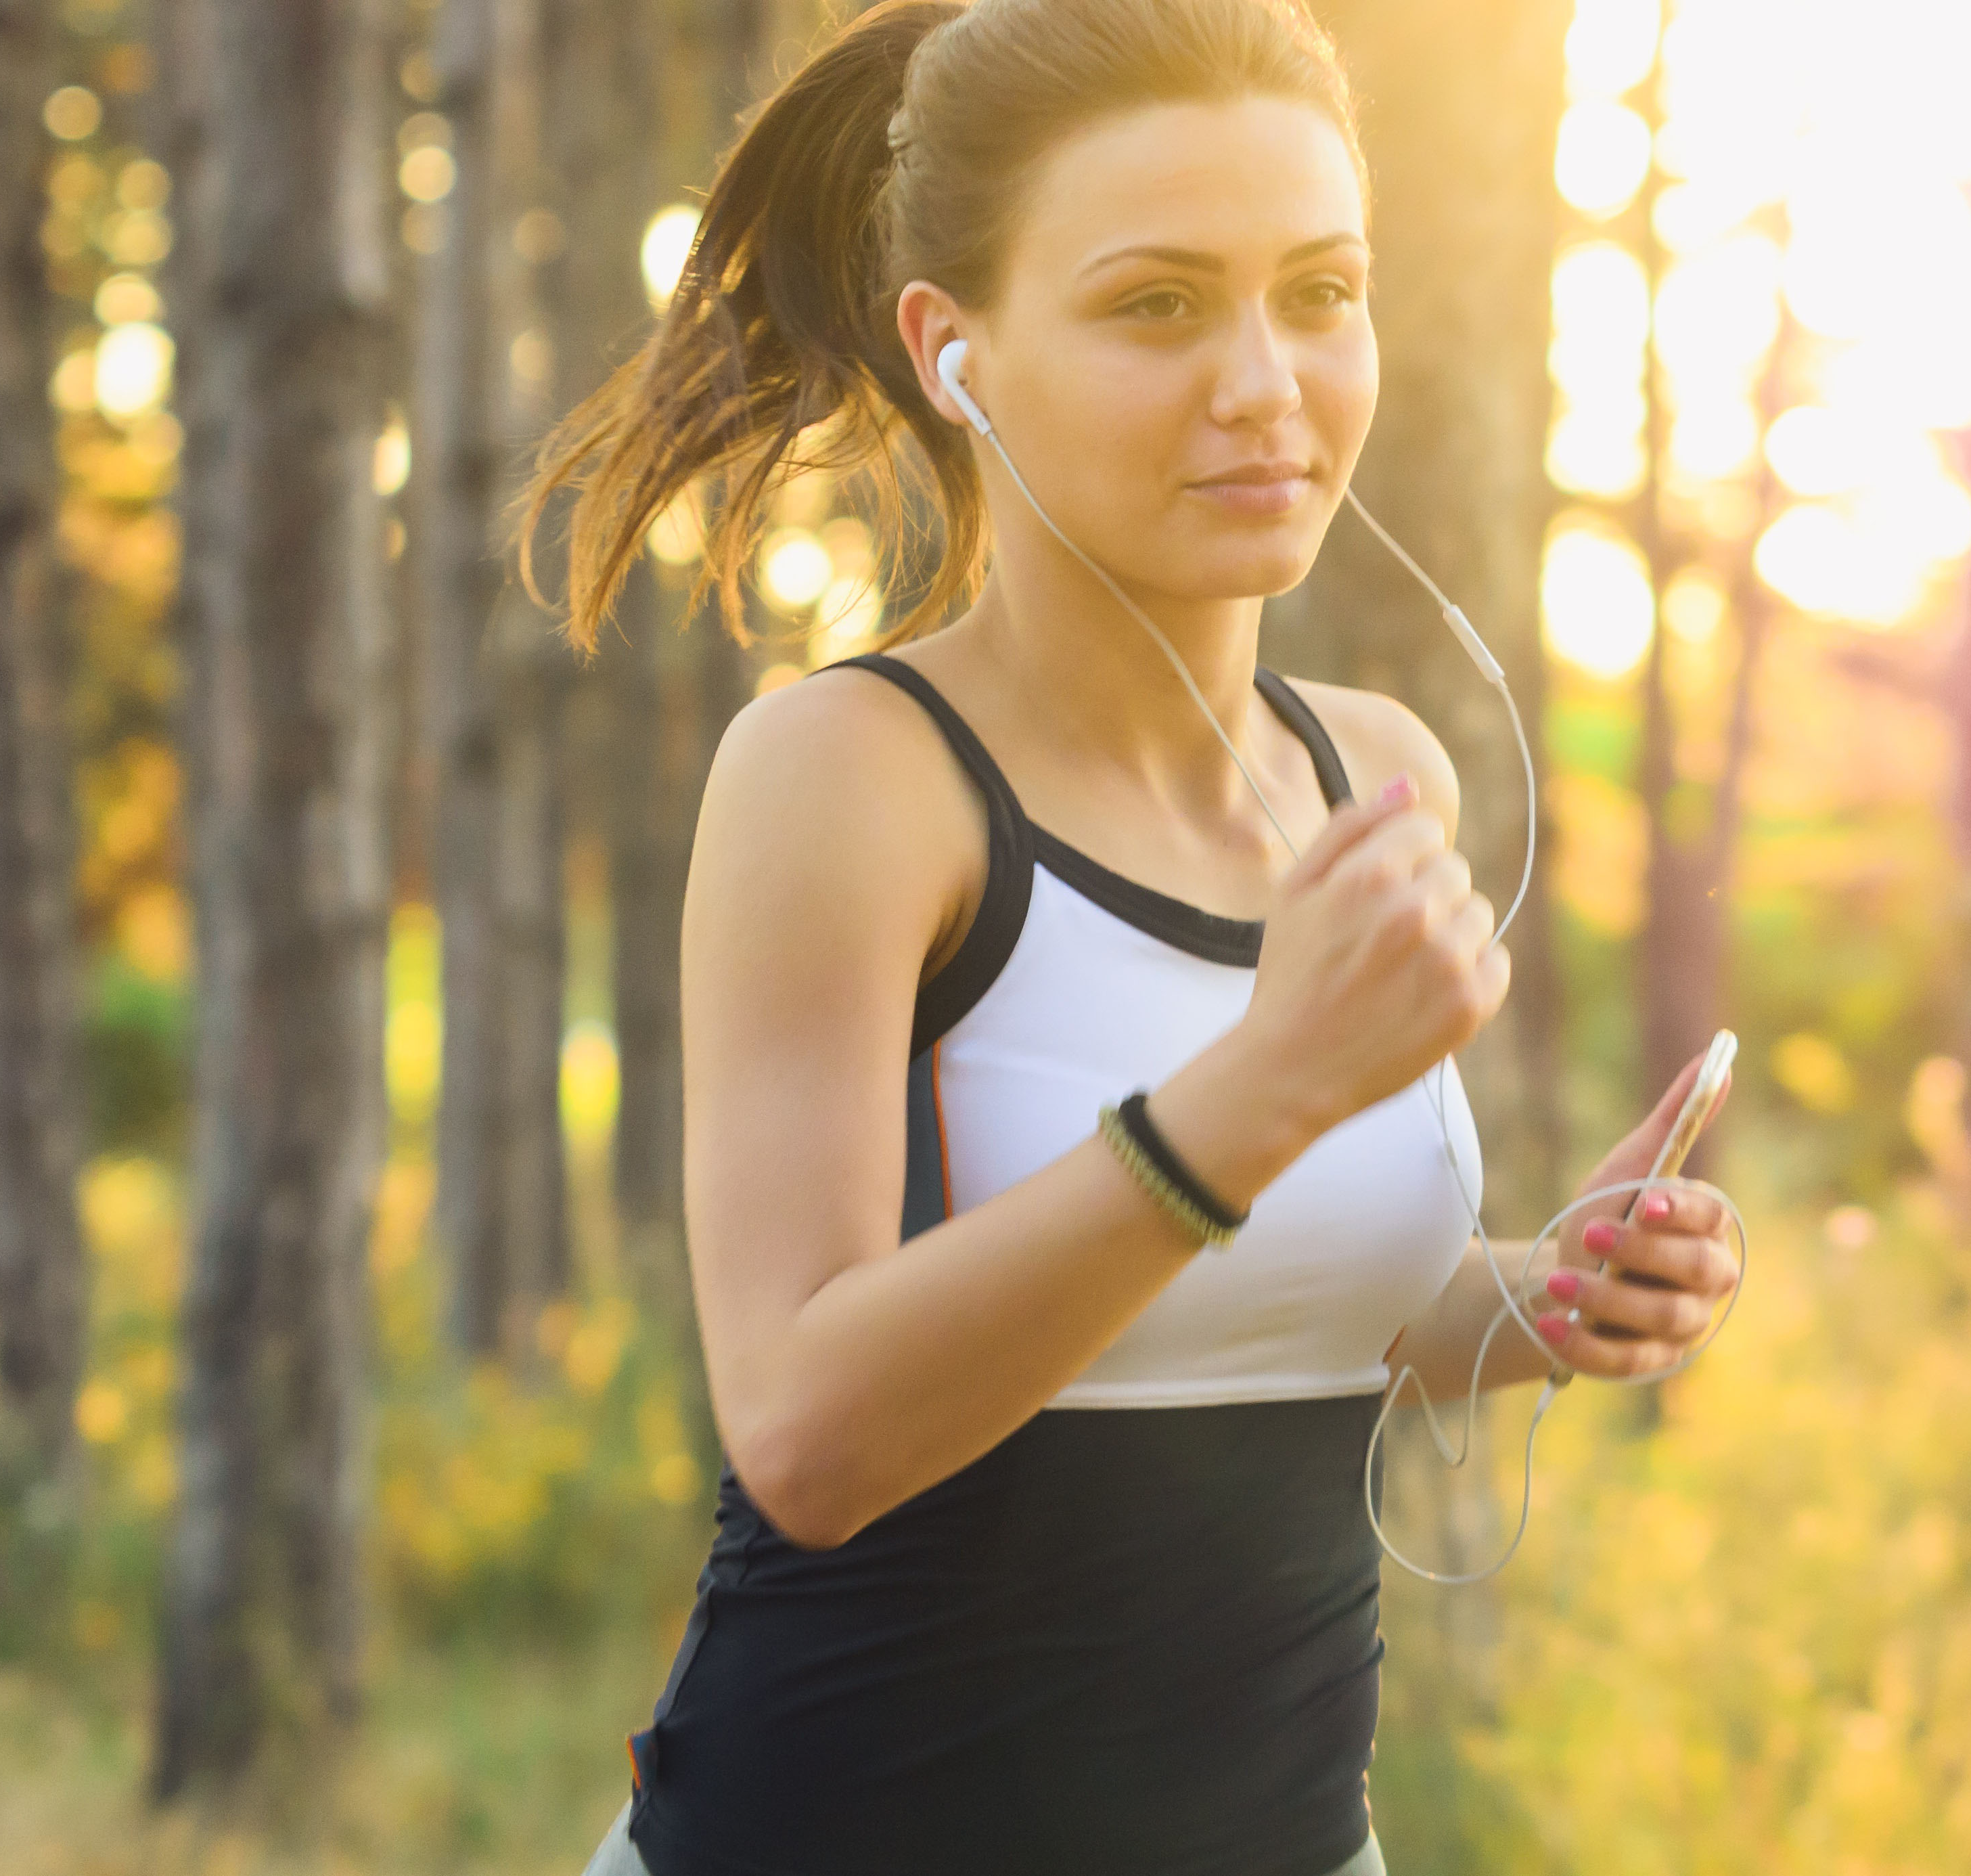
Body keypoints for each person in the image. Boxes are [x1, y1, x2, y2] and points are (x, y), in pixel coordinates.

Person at [514, 3, 1742, 1871]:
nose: (1267, 382)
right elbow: (808, 1429)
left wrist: (1542, 1299)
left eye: (1320, 293)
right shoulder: (852, 777)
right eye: (1159, 304)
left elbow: (1276, 1316)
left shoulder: (1378, 773)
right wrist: (1253, 1096)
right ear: (958, 351)